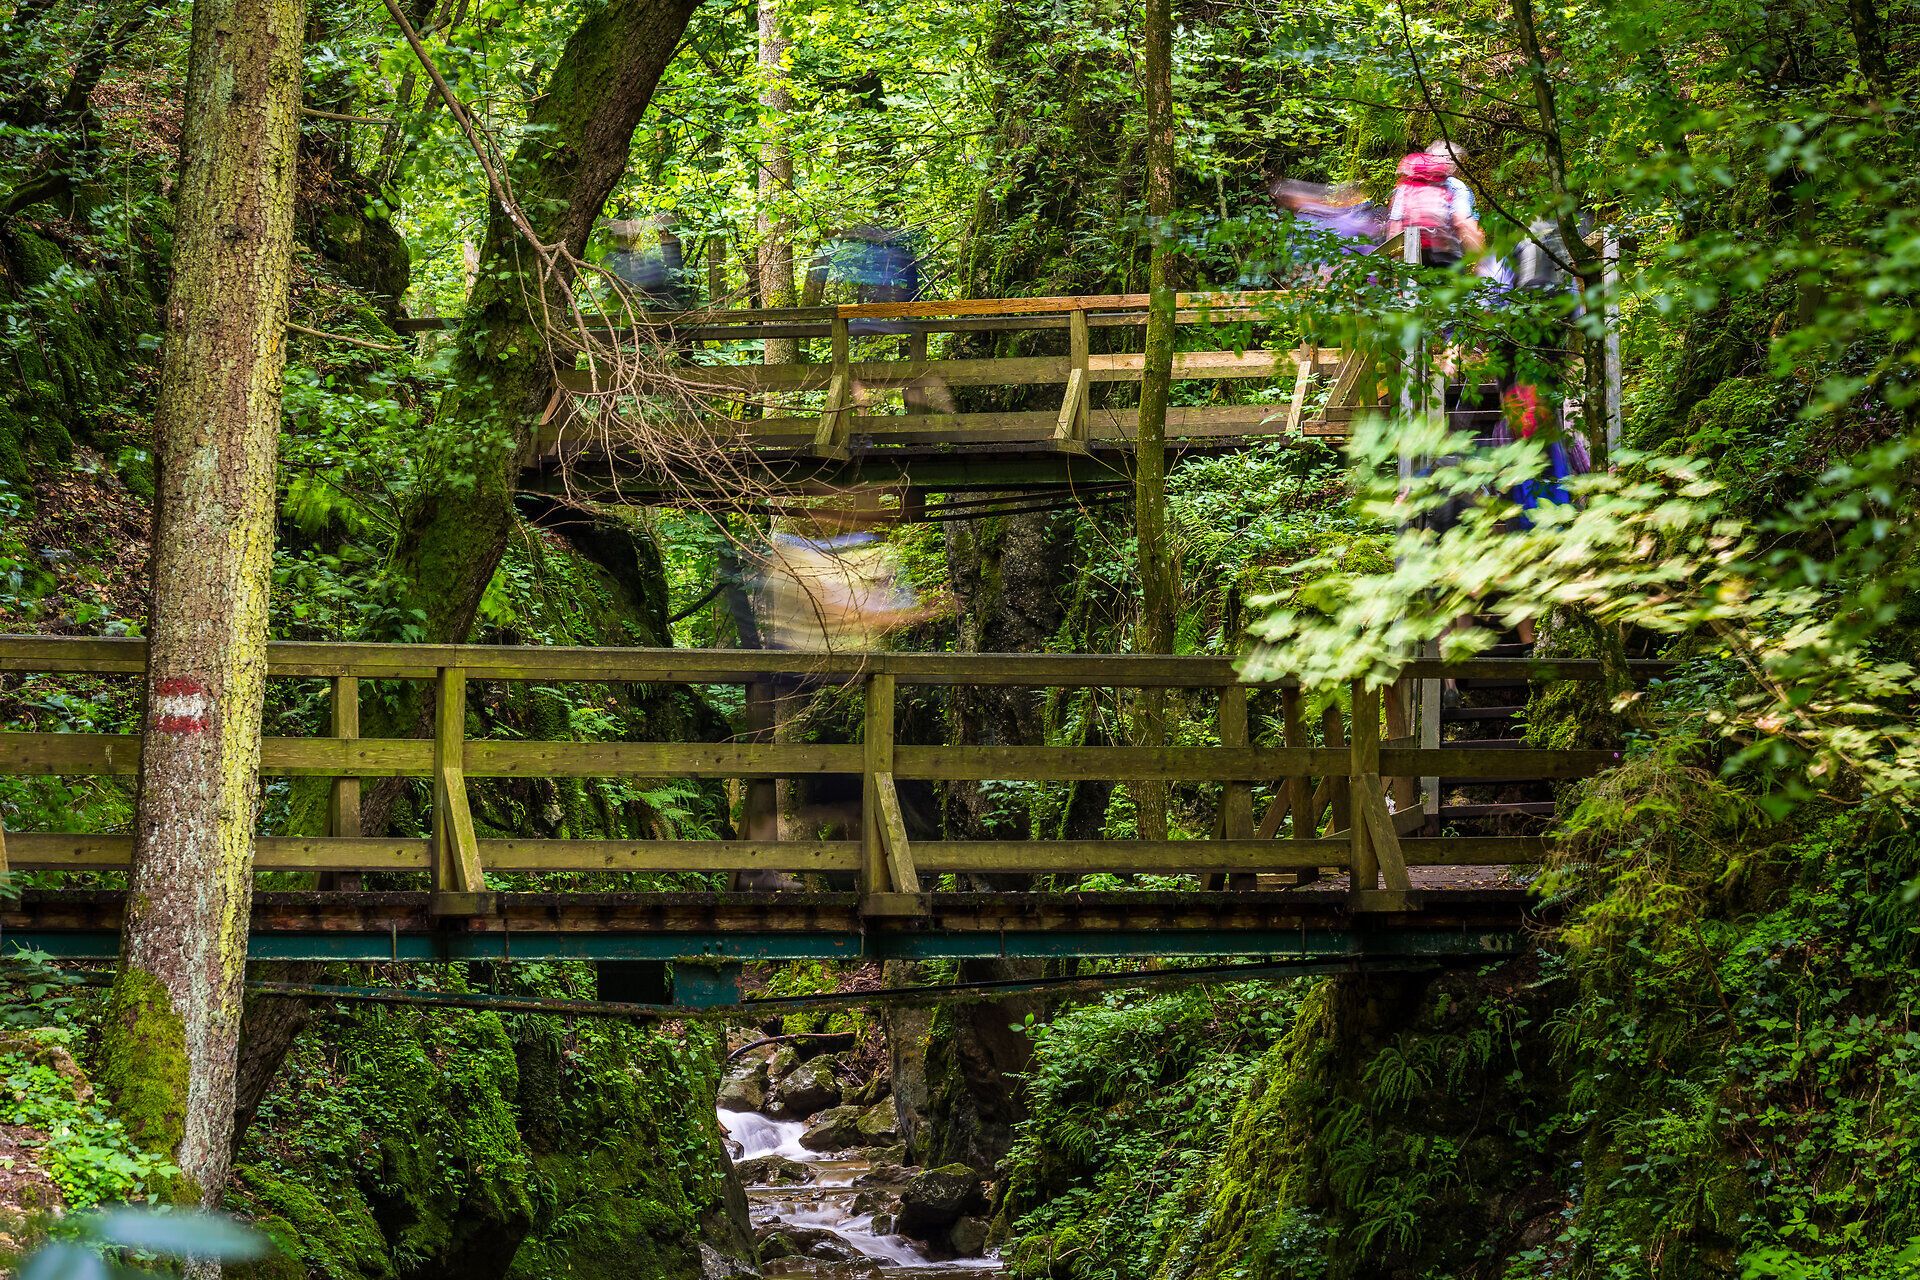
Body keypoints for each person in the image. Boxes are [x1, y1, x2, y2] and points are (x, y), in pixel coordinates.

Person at [1387, 140, 1486, 268]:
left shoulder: (1406, 185)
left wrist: (1393, 268)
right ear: (1454, 164)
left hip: (1411, 254)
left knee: (1414, 285)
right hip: (1445, 254)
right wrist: (1483, 260)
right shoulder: (1456, 186)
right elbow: (1462, 223)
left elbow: (1394, 227)